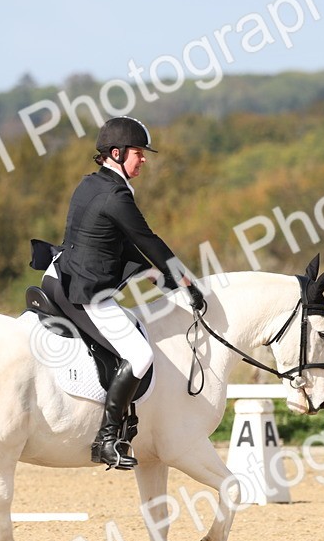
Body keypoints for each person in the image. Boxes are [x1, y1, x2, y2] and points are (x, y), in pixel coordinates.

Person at [41, 116, 205, 470]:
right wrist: (186, 280)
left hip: (57, 276)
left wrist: (150, 272)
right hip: (83, 292)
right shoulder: (116, 195)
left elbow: (113, 242)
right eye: (138, 152)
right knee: (139, 353)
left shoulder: (91, 184)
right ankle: (107, 438)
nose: (143, 158)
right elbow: (147, 240)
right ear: (115, 153)